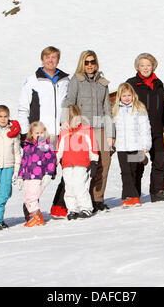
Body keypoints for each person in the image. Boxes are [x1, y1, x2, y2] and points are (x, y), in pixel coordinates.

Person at [17, 46, 70, 219]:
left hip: (60, 133)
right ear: (42, 60)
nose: (50, 60)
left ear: (58, 60)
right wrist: (26, 134)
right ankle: (31, 210)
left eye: (54, 57)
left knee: (67, 170)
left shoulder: (65, 80)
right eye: (47, 57)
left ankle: (59, 206)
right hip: (41, 135)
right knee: (37, 173)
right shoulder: (33, 80)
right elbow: (23, 108)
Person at [59, 50, 114, 214]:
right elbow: (69, 101)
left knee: (104, 162)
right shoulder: (77, 80)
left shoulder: (103, 83)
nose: (90, 65)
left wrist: (111, 134)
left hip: (100, 127)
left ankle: (97, 199)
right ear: (82, 63)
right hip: (82, 128)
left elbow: (107, 109)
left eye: (92, 62)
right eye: (86, 62)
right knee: (79, 166)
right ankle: (72, 202)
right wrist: (65, 121)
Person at [127, 53, 164, 202]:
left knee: (160, 161)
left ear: (153, 66)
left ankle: (157, 192)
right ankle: (133, 194)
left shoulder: (159, 83)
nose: (145, 68)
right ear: (137, 67)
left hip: (156, 131)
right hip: (138, 133)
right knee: (136, 164)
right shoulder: (131, 83)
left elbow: (163, 107)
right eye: (142, 65)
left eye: (148, 65)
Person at [56, 105, 99, 220]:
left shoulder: (86, 130)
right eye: (75, 120)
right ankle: (72, 209)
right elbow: (59, 149)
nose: (78, 122)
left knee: (80, 186)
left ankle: (85, 207)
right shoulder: (64, 132)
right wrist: (54, 163)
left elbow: (92, 146)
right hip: (67, 164)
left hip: (82, 163)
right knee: (69, 187)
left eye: (79, 119)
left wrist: (94, 161)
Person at [112, 83, 151, 207]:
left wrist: (145, 144)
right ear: (119, 96)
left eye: (129, 95)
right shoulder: (115, 109)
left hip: (136, 146)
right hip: (122, 147)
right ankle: (130, 196)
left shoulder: (139, 108)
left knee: (134, 171)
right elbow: (112, 128)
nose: (127, 98)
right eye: (124, 95)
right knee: (125, 172)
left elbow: (145, 128)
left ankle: (131, 195)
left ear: (133, 95)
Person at [15, 121, 57, 227]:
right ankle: (35, 216)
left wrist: (49, 174)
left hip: (38, 176)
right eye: (36, 133)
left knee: (33, 197)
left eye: (41, 132)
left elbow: (51, 159)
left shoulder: (45, 145)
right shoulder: (27, 146)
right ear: (31, 134)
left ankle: (36, 217)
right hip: (27, 176)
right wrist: (20, 176)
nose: (39, 135)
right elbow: (23, 162)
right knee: (26, 198)